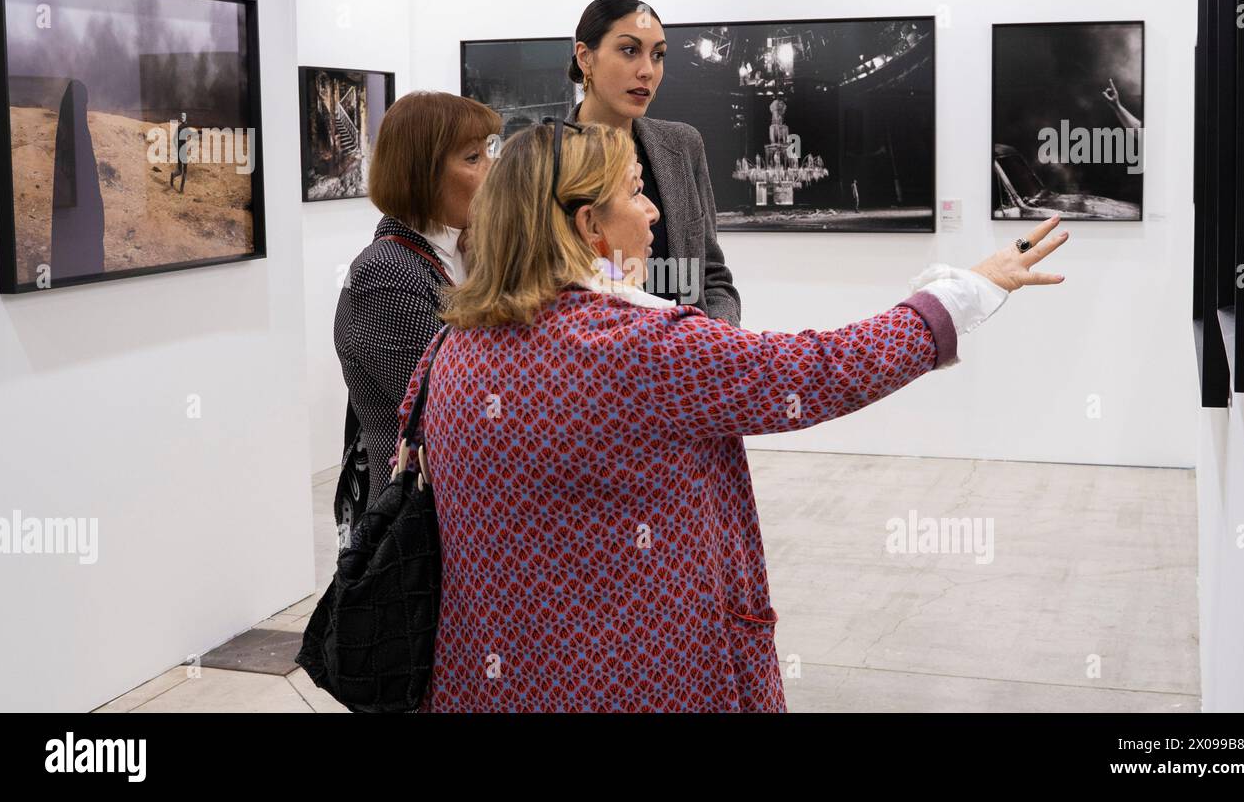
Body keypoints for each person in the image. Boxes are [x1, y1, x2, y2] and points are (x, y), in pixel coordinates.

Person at [397, 119, 1068, 712]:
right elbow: (820, 371)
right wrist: (965, 294)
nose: (654, 210)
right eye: (635, 191)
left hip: (486, 680)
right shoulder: (635, 347)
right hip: (636, 682)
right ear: (589, 226)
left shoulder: (453, 344)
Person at [334, 90, 500, 504]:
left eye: (488, 151)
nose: (492, 169)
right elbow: (449, 409)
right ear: (423, 175)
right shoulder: (385, 272)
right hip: (414, 524)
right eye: (473, 158)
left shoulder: (464, 250)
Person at [568, 0, 739, 323]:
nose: (647, 70)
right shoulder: (543, 160)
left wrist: (715, 343)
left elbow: (713, 278)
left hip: (685, 362)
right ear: (585, 57)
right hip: (591, 365)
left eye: (657, 55)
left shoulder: (682, 145)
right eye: (629, 50)